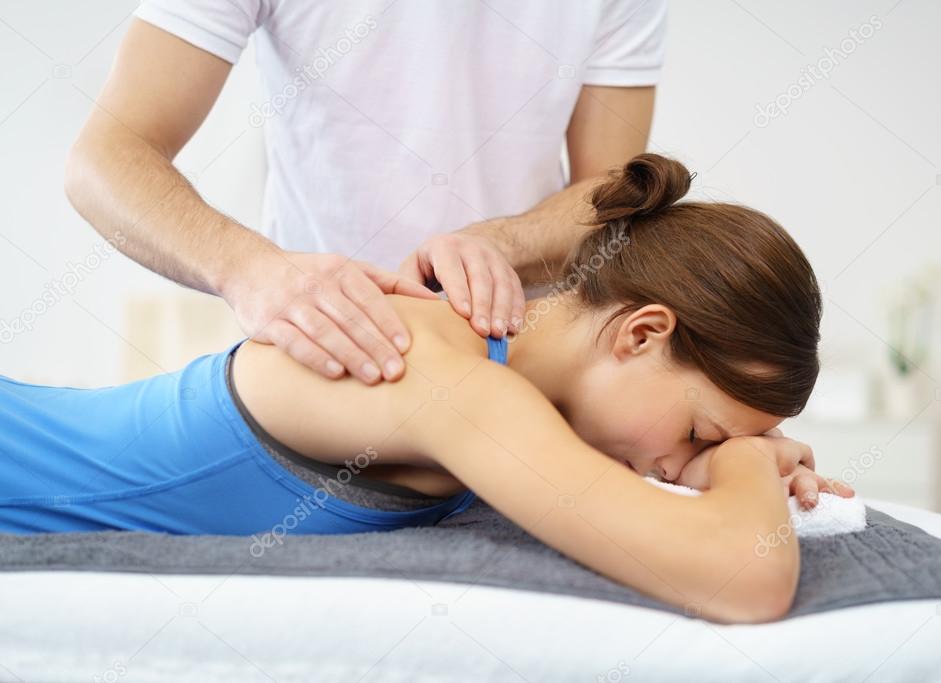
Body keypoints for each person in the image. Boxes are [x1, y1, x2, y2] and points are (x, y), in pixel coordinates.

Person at [1, 155, 853, 624]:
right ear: (641, 332)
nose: (678, 465)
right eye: (699, 431)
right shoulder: (448, 377)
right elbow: (746, 578)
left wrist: (724, 458)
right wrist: (746, 463)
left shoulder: (486, 358)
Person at [64, 0, 669, 385]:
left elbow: (615, 192)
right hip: (319, 358)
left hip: (510, 362)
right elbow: (106, 159)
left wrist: (497, 244)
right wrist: (251, 271)